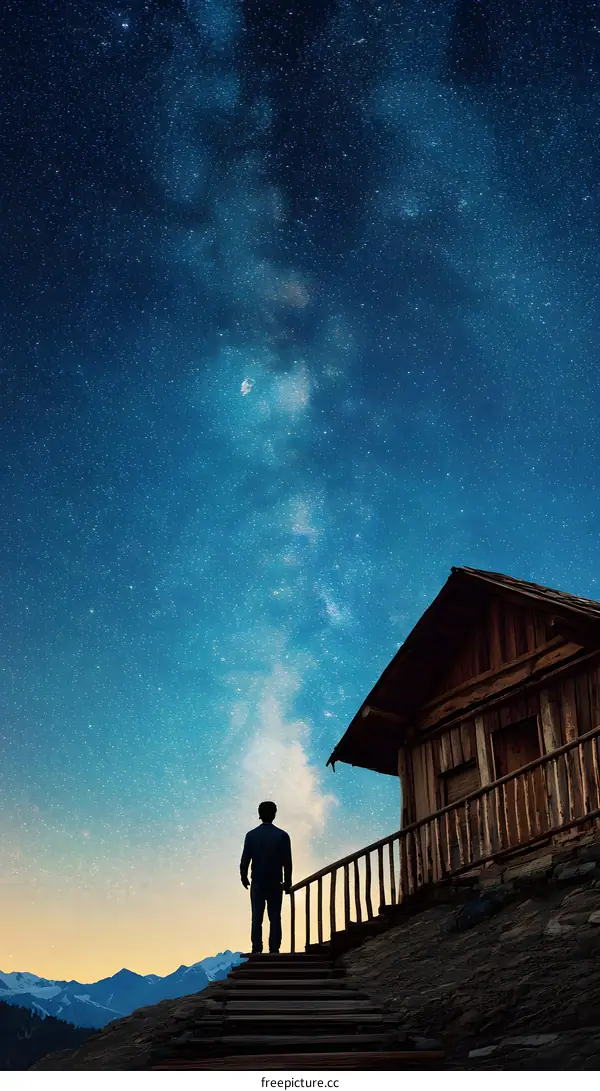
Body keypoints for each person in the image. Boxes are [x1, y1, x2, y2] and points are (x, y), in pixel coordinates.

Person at [240, 801, 292, 954]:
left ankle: (257, 948)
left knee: (257, 917)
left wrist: (243, 875)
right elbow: (287, 861)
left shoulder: (251, 835)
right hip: (276, 882)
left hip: (257, 882)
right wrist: (288, 881)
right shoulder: (282, 836)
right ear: (274, 814)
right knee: (275, 917)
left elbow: (245, 859)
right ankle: (274, 949)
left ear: (259, 814)